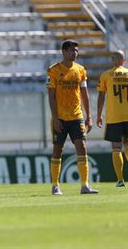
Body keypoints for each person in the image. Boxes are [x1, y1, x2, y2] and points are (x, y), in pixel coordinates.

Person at [47, 39, 98, 195]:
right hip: (60, 118)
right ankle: (55, 185)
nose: (75, 53)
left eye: (76, 50)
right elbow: (51, 96)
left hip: (77, 116)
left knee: (82, 147)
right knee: (57, 150)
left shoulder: (80, 70)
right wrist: (55, 118)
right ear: (64, 51)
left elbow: (84, 94)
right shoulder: (53, 70)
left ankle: (85, 185)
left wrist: (89, 116)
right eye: (71, 50)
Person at [97, 50, 128, 187]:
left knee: (116, 148)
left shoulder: (105, 75)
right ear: (124, 60)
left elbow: (101, 96)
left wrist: (98, 115)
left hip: (114, 117)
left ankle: (120, 180)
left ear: (112, 60)